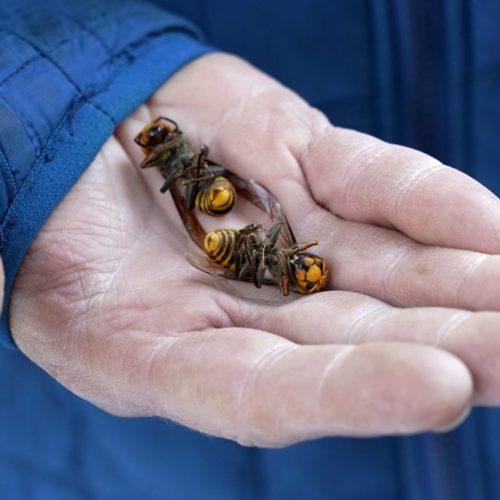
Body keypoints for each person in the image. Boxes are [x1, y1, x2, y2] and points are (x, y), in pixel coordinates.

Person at [1, 0, 500, 498]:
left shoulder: (254, 240)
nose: (304, 271)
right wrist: (27, 104)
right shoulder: (218, 206)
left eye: (301, 271)